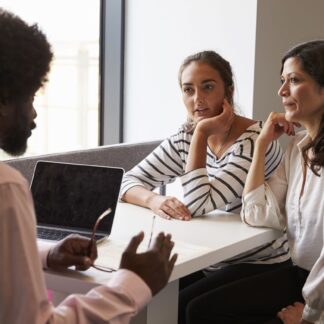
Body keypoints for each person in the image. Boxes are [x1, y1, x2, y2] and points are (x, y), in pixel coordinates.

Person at [0, 8, 177, 324]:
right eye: (30, 97)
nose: (34, 115)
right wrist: (133, 283)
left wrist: (45, 255)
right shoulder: (5, 188)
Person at [120, 50, 291, 323]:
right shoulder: (183, 138)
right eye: (188, 90)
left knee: (186, 309)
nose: (197, 99)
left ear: (229, 91)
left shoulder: (255, 140)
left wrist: (201, 133)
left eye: (207, 87)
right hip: (210, 259)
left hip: (261, 262)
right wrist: (154, 200)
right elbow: (127, 182)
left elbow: (200, 204)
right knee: (147, 299)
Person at [185, 40, 324, 324]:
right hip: (299, 273)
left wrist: (313, 315)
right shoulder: (297, 148)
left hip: (316, 286)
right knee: (194, 307)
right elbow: (256, 213)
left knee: (205, 313)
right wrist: (261, 144)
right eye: (282, 80)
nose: (282, 91)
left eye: (295, 80)